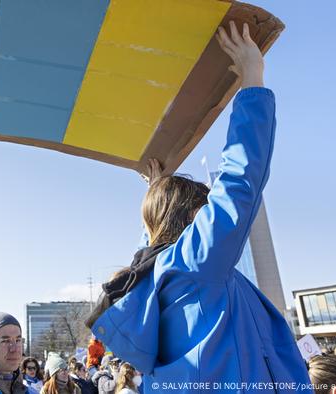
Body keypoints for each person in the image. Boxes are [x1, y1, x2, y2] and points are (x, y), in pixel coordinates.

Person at [85, 21, 312, 393]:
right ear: (194, 216)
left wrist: (159, 185)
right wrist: (252, 80)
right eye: (205, 208)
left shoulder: (158, 277)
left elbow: (153, 242)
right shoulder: (196, 263)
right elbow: (240, 181)